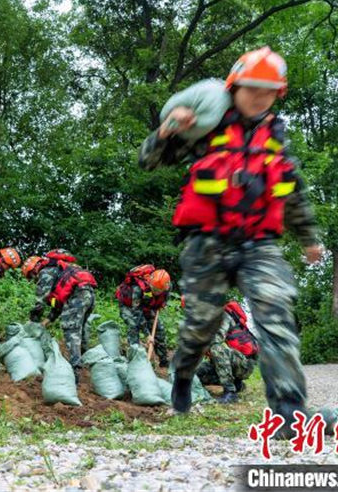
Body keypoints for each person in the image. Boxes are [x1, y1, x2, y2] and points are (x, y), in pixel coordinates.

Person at [138, 46, 324, 438]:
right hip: (207, 243)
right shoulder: (206, 127)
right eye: (252, 88)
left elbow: (293, 193)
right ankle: (182, 375)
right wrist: (167, 130)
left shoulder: (275, 138)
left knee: (276, 314)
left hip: (259, 244)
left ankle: (288, 413)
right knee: (202, 326)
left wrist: (309, 239)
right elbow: (148, 160)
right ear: (234, 88)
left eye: (269, 91)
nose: (260, 97)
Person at [23, 250, 97, 378]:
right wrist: (46, 322)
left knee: (71, 330)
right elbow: (59, 305)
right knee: (81, 327)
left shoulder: (45, 272)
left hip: (77, 295)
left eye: (31, 276)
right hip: (89, 294)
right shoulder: (62, 269)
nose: (34, 279)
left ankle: (75, 369)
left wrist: (33, 320)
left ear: (34, 269)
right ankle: (85, 361)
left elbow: (40, 300)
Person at [196, 301, 258, 403]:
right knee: (196, 373)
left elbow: (216, 339)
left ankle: (230, 392)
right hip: (236, 363)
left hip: (244, 365)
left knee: (216, 349)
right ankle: (237, 384)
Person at [115, 265, 171, 367]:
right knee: (133, 326)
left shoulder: (167, 286)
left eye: (158, 290)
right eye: (154, 289)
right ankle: (134, 359)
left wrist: (162, 304)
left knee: (159, 330)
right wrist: (147, 335)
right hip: (129, 306)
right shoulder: (138, 289)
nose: (155, 292)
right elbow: (137, 313)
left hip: (147, 306)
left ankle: (163, 360)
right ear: (150, 283)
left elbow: (165, 298)